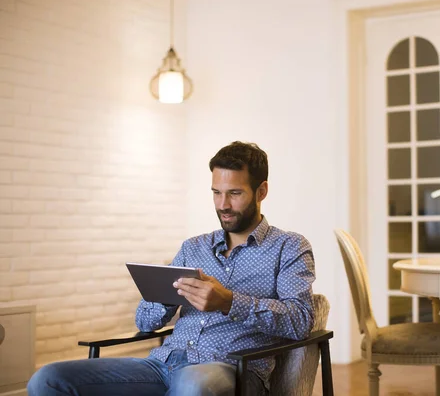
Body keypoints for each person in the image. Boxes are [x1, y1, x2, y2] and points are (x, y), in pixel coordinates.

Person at [27, 141, 316, 396]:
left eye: (235, 193)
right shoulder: (194, 247)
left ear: (261, 191)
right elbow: (144, 322)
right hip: (163, 363)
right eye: (216, 192)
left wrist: (228, 301)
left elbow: (301, 320)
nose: (223, 205)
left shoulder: (288, 246)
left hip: (230, 369)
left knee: (192, 385)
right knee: (49, 379)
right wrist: (166, 295)